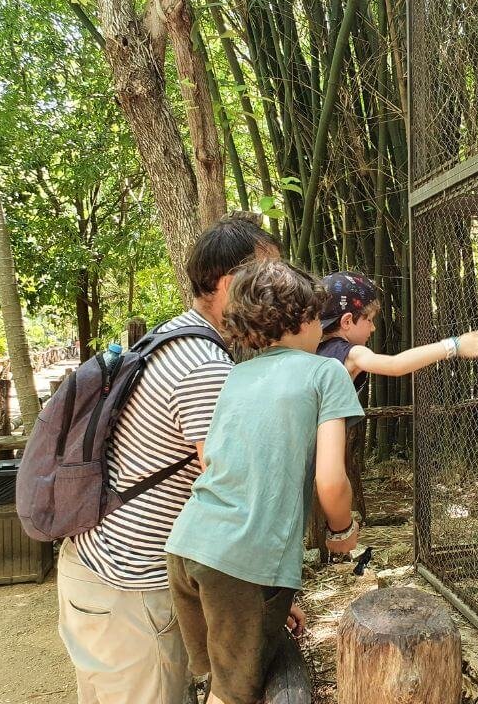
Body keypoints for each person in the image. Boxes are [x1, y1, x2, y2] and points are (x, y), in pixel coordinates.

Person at [56, 212, 280, 704]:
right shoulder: (204, 367)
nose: (277, 292)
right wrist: (262, 596)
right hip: (130, 587)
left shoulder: (172, 336)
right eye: (267, 278)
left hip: (94, 566)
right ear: (227, 284)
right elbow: (225, 498)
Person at [165, 260, 364, 704]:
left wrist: (268, 595)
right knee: (233, 696)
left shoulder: (236, 375)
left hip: (188, 549)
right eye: (319, 316)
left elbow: (219, 462)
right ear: (306, 317)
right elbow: (331, 481)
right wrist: (341, 533)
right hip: (241, 563)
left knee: (221, 682)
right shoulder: (325, 373)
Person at [317, 270, 478, 391]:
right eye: (370, 320)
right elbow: (395, 365)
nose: (373, 328)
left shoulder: (313, 350)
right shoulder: (349, 353)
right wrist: (455, 345)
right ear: (347, 321)